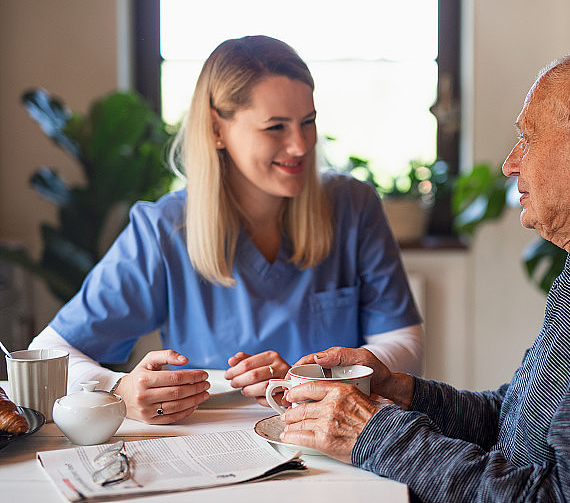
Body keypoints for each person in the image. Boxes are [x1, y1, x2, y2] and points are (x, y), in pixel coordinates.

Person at [279, 45, 570, 502]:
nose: (511, 163)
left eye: (528, 140)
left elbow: (564, 498)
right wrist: (400, 393)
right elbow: (519, 425)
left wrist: (375, 433)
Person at [29, 35, 423, 424]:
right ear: (217, 128)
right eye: (275, 127)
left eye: (308, 122)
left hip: (340, 443)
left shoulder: (352, 206)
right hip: (213, 452)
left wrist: (315, 377)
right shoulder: (164, 229)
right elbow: (49, 350)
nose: (301, 145)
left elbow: (405, 343)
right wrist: (117, 390)